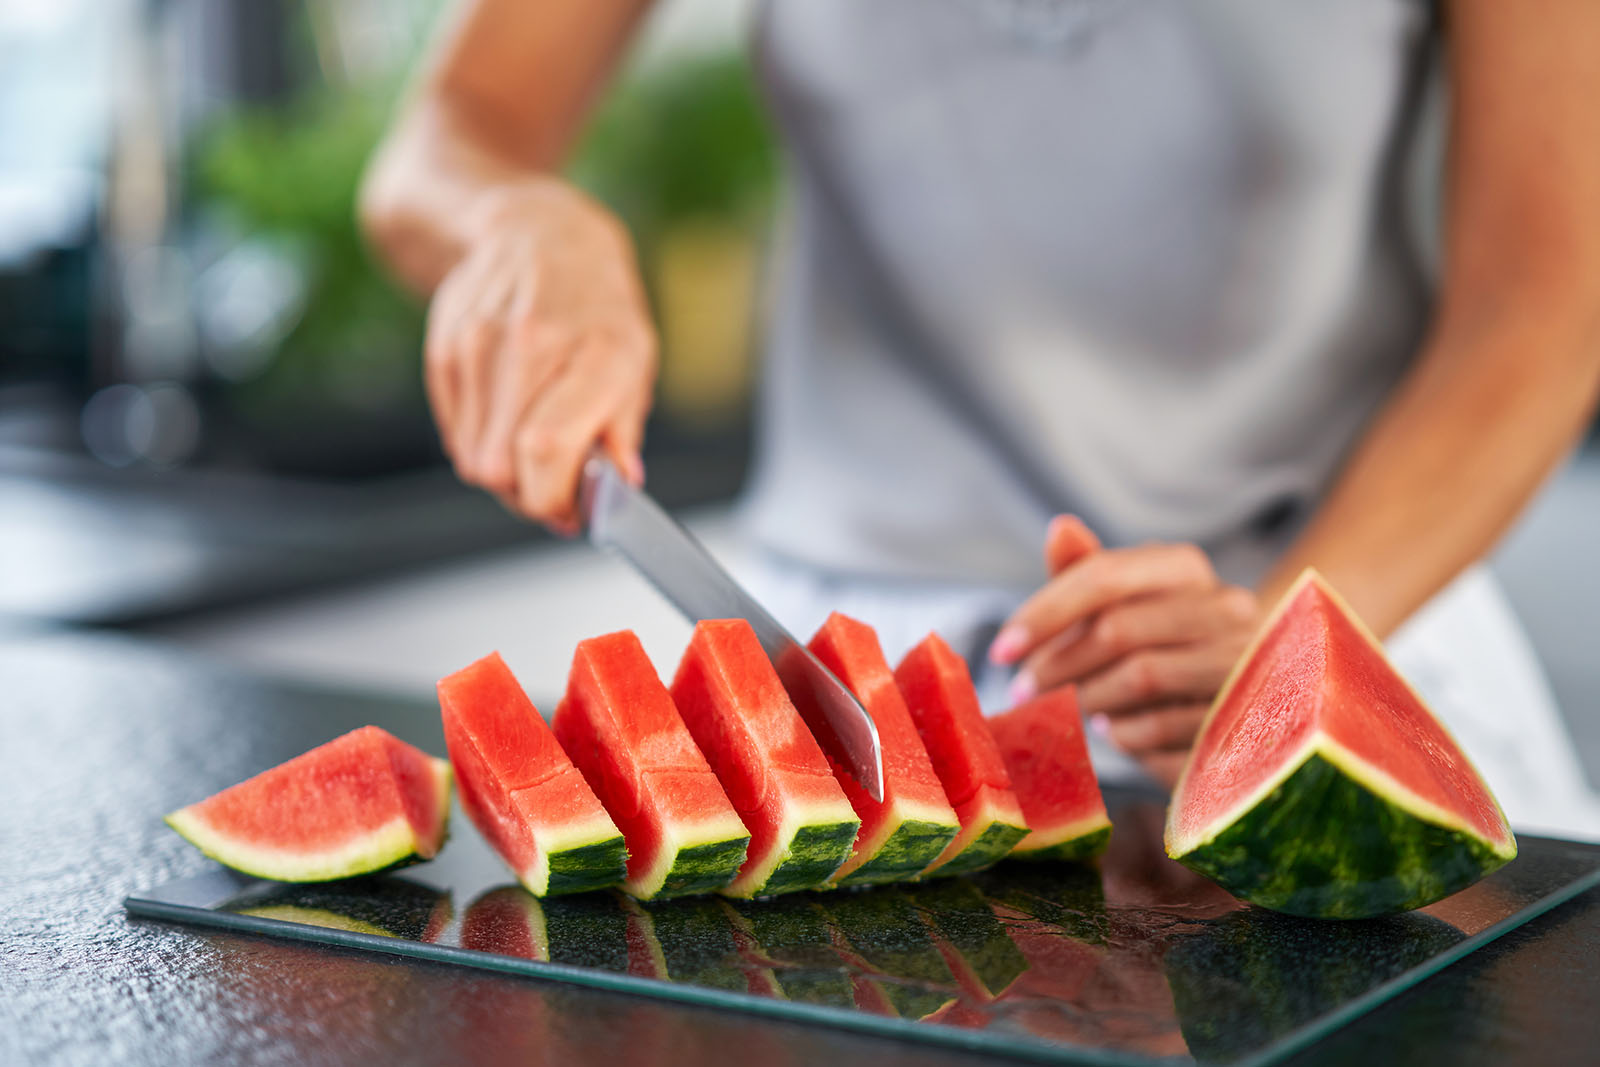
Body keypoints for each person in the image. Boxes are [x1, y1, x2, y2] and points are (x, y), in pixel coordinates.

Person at [361, 0, 1600, 837]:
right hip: (845, 676)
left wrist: (1293, 635)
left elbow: (1544, 301)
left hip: (1321, 609)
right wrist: (509, 221)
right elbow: (445, 140)